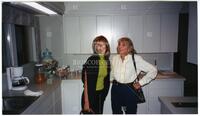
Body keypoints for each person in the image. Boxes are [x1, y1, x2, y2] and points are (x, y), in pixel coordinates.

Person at [111, 37, 157, 114]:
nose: (119, 47)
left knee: (131, 112)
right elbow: (112, 71)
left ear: (129, 48)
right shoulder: (115, 58)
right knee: (116, 111)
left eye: (123, 45)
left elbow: (153, 70)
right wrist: (111, 78)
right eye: (119, 44)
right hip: (115, 88)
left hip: (129, 89)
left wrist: (140, 83)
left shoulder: (136, 58)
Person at [81, 35, 111, 114]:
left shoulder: (106, 60)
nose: (99, 47)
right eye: (97, 45)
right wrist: (86, 102)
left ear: (106, 46)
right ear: (95, 47)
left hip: (100, 95)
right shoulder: (92, 59)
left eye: (102, 44)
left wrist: (104, 95)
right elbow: (86, 82)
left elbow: (106, 80)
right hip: (90, 96)